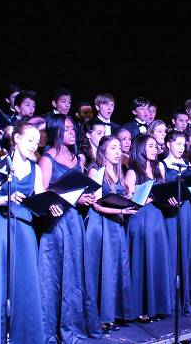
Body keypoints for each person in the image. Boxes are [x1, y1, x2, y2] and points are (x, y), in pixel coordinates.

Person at [0, 122, 45, 343]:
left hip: (25, 228)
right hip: (1, 226)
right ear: (16, 138)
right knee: (0, 282)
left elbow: (39, 201)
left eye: (36, 141)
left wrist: (51, 204)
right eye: (29, 140)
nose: (34, 145)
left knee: (25, 283)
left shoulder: (36, 168)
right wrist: (6, 198)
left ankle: (25, 335)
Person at [37, 113, 100, 341]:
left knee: (75, 273)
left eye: (73, 128)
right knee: (58, 274)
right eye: (67, 129)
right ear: (56, 131)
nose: (72, 132)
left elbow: (81, 189)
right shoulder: (47, 159)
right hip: (57, 222)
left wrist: (86, 197)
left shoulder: (78, 159)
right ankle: (55, 330)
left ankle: (75, 324)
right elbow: (42, 193)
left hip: (74, 220)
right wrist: (71, 197)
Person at [85, 136, 136, 333]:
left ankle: (115, 313)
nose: (117, 151)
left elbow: (118, 196)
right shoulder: (96, 170)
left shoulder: (119, 170)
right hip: (101, 225)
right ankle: (100, 317)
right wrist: (122, 211)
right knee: (102, 270)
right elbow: (96, 204)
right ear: (103, 151)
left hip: (115, 224)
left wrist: (129, 198)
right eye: (112, 148)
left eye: (118, 148)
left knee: (117, 269)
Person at [125, 135, 173, 322]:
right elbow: (130, 201)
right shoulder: (133, 172)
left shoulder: (158, 168)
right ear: (141, 148)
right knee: (142, 261)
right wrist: (149, 197)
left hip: (157, 218)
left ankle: (158, 306)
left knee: (156, 260)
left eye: (156, 146)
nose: (155, 149)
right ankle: (140, 308)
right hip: (141, 219)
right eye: (151, 146)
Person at [161, 130, 191, 314]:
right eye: (177, 144)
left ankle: (186, 300)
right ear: (168, 144)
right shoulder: (162, 165)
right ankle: (169, 302)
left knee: (186, 252)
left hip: (186, 210)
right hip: (170, 213)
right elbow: (159, 190)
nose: (180, 148)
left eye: (183, 144)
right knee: (171, 254)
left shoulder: (187, 165)